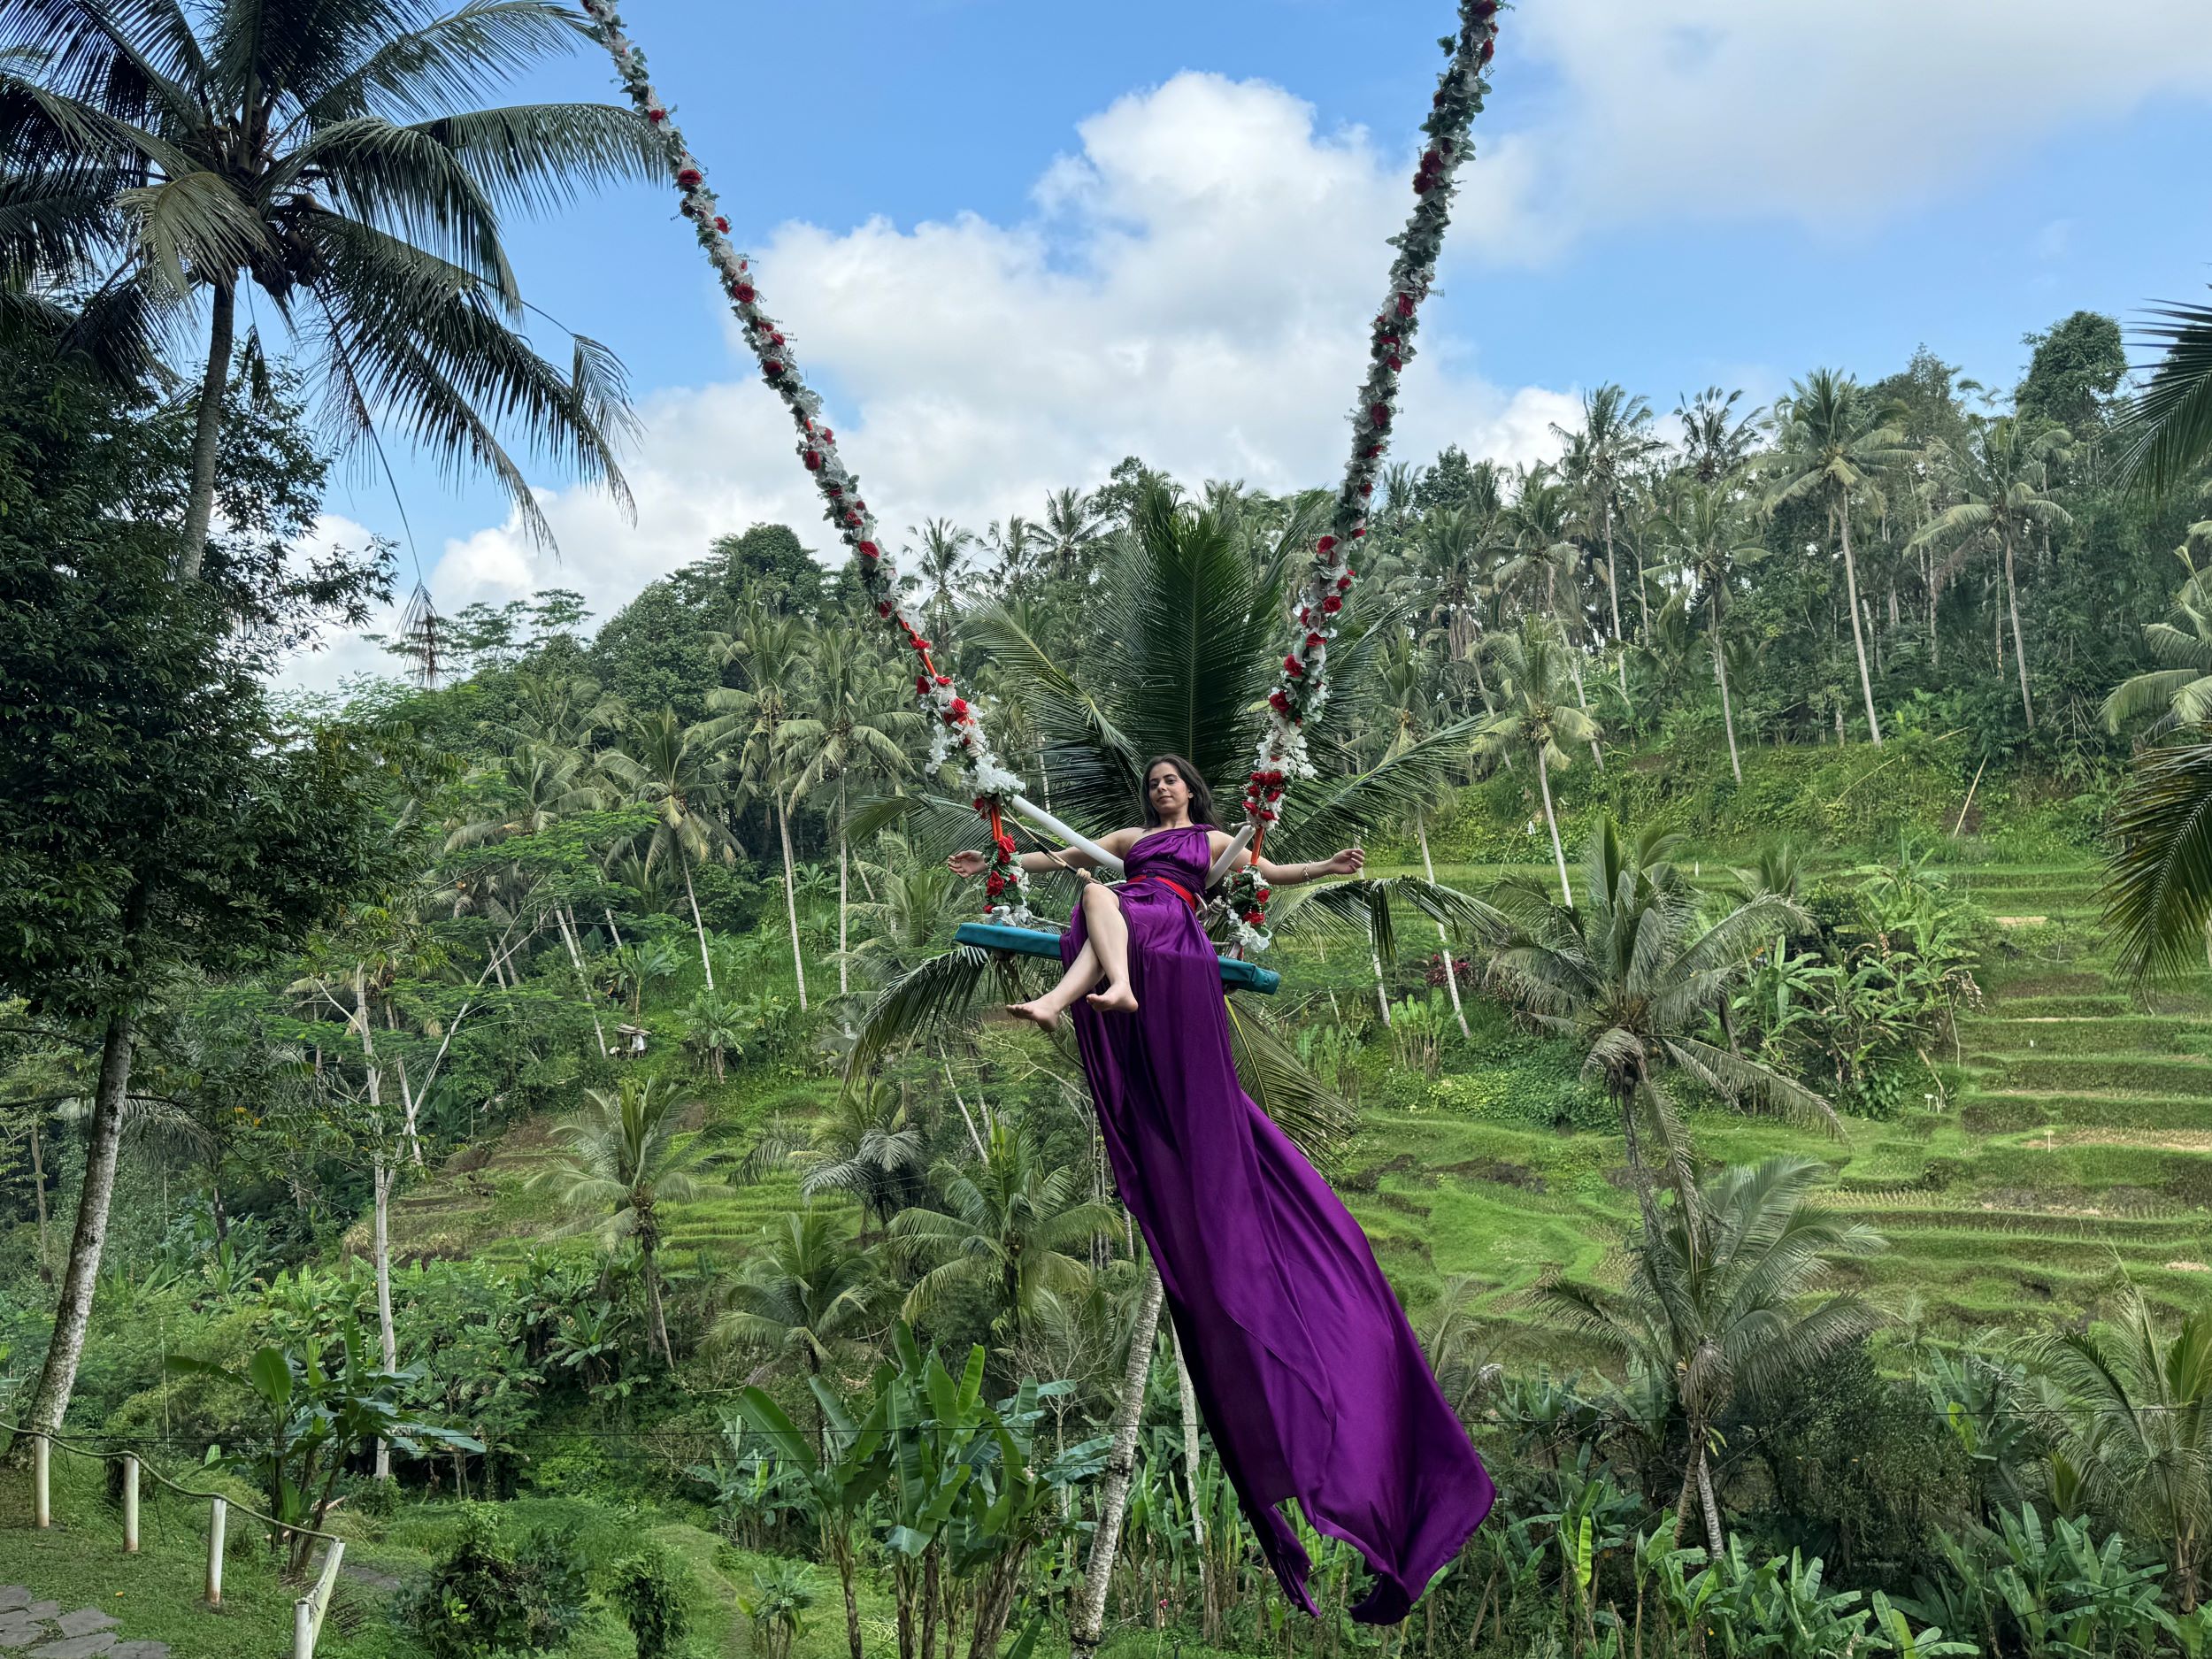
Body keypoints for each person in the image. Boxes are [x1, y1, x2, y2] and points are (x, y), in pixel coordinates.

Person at [947, 754, 1494, 1624]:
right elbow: (1060, 860)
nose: (1162, 791)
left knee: (1109, 901)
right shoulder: (1129, 841)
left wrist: (1326, 868)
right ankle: (1077, 997)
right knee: (1094, 891)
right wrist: (1001, 863)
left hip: (1177, 939)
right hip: (1130, 927)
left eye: (1173, 783)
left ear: (1191, 793)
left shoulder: (1212, 841)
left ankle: (1089, 990)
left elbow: (1269, 870)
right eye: (1155, 783)